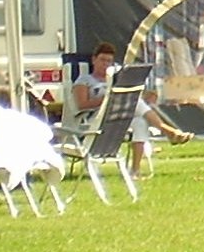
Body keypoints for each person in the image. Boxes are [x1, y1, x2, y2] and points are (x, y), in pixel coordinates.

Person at [72, 41, 192, 175]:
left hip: (117, 118)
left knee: (140, 121)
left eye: (109, 61)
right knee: (135, 102)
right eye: (102, 60)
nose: (105, 64)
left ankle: (135, 170)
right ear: (94, 60)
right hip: (95, 120)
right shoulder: (85, 80)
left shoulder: (116, 79)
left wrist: (145, 95)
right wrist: (107, 100)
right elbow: (81, 104)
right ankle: (167, 130)